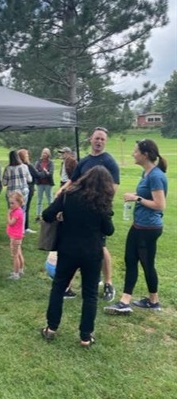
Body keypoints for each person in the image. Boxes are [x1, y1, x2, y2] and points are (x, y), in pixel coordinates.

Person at [40, 166, 115, 347]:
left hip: (68, 249)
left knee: (58, 287)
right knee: (89, 294)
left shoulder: (68, 195)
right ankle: (85, 336)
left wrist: (61, 217)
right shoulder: (101, 202)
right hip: (92, 252)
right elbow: (109, 230)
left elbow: (47, 214)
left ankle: (51, 328)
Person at [104, 139, 168, 316]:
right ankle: (150, 300)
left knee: (144, 263)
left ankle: (130, 302)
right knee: (133, 261)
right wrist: (136, 195)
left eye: (136, 151)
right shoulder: (147, 174)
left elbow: (160, 204)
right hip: (140, 225)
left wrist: (136, 199)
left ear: (145, 154)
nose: (133, 154)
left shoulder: (155, 176)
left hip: (147, 228)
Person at [56, 127, 119, 302]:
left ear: (105, 142)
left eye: (102, 139)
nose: (99, 141)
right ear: (91, 139)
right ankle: (67, 285)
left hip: (98, 211)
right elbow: (73, 181)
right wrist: (62, 191)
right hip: (80, 211)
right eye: (97, 138)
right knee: (76, 246)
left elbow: (114, 187)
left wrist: (100, 205)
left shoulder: (109, 162)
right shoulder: (84, 162)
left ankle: (108, 283)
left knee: (101, 247)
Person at [18, 148, 39, 234]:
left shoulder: (18, 166)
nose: (28, 156)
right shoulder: (28, 166)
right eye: (26, 155)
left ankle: (20, 226)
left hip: (20, 188)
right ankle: (24, 227)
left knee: (20, 208)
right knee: (25, 208)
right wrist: (46, 173)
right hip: (28, 188)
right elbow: (37, 174)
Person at [6, 191, 26, 280]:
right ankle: (20, 270)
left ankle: (16, 274)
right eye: (10, 203)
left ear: (19, 202)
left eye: (13, 203)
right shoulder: (18, 211)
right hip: (18, 236)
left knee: (15, 256)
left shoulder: (17, 213)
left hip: (15, 237)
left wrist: (8, 215)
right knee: (19, 253)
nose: (11, 205)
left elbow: (11, 223)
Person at [35, 148, 55, 222]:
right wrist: (45, 173)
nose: (44, 154)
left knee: (50, 199)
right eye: (43, 152)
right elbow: (36, 173)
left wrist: (44, 173)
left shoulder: (51, 163)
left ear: (48, 154)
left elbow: (50, 174)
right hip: (40, 184)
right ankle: (38, 216)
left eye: (46, 153)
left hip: (48, 184)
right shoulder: (38, 162)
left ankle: (51, 214)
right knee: (39, 200)